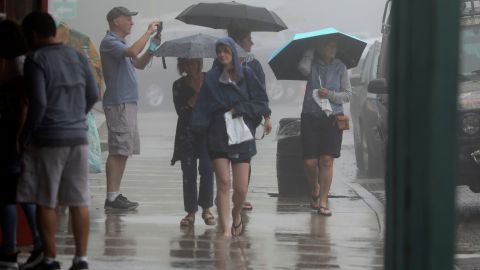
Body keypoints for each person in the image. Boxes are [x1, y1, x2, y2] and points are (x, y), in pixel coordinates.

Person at [20, 11, 98, 270]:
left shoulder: (36, 59)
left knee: (47, 199)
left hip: (49, 139)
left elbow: (39, 103)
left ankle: (51, 259)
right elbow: (93, 93)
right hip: (78, 138)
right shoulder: (76, 55)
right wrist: (76, 117)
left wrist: (27, 134)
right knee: (79, 199)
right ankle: (81, 259)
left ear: (32, 35)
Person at [191, 37, 270, 237]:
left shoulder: (249, 75)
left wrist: (242, 108)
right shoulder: (211, 78)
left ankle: (236, 215)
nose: (222, 55)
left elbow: (261, 102)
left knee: (241, 188)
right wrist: (197, 131)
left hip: (241, 135)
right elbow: (202, 107)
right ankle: (225, 228)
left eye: (226, 51)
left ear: (233, 53)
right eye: (219, 51)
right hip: (217, 135)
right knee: (224, 182)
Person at [100, 6, 161, 210]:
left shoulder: (121, 43)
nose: (132, 23)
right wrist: (148, 32)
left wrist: (153, 47)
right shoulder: (110, 43)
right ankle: (111, 197)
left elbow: (140, 63)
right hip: (118, 103)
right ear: (116, 21)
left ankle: (115, 194)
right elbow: (133, 51)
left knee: (124, 150)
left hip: (128, 102)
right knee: (117, 149)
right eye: (128, 19)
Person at [0, 18, 43, 270]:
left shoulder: (17, 65)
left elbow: (24, 105)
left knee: (8, 193)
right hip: (16, 137)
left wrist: (19, 137)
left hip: (11, 138)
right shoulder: (22, 61)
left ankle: (10, 250)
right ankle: (34, 242)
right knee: (19, 190)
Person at [297, 40, 352, 216]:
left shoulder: (340, 67)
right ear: (320, 48)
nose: (333, 49)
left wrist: (329, 94)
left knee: (327, 160)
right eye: (329, 45)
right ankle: (315, 187)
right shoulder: (311, 64)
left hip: (333, 117)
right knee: (309, 162)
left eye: (335, 46)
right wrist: (309, 53)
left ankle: (323, 200)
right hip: (310, 116)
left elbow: (347, 95)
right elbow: (302, 70)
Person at [227, 27, 273, 211]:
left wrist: (266, 116)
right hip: (226, 118)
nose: (252, 43)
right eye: (248, 39)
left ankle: (241, 194)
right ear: (238, 42)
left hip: (248, 119)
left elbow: (261, 93)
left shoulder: (254, 65)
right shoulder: (222, 62)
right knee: (224, 156)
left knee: (244, 158)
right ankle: (223, 191)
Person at [170, 58, 216, 227]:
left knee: (207, 169)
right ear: (182, 66)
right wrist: (195, 97)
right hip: (186, 132)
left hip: (207, 132)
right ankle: (190, 212)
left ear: (199, 63)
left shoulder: (210, 79)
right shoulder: (178, 85)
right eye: (186, 64)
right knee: (188, 172)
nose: (190, 66)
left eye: (193, 63)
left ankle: (206, 209)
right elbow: (180, 110)